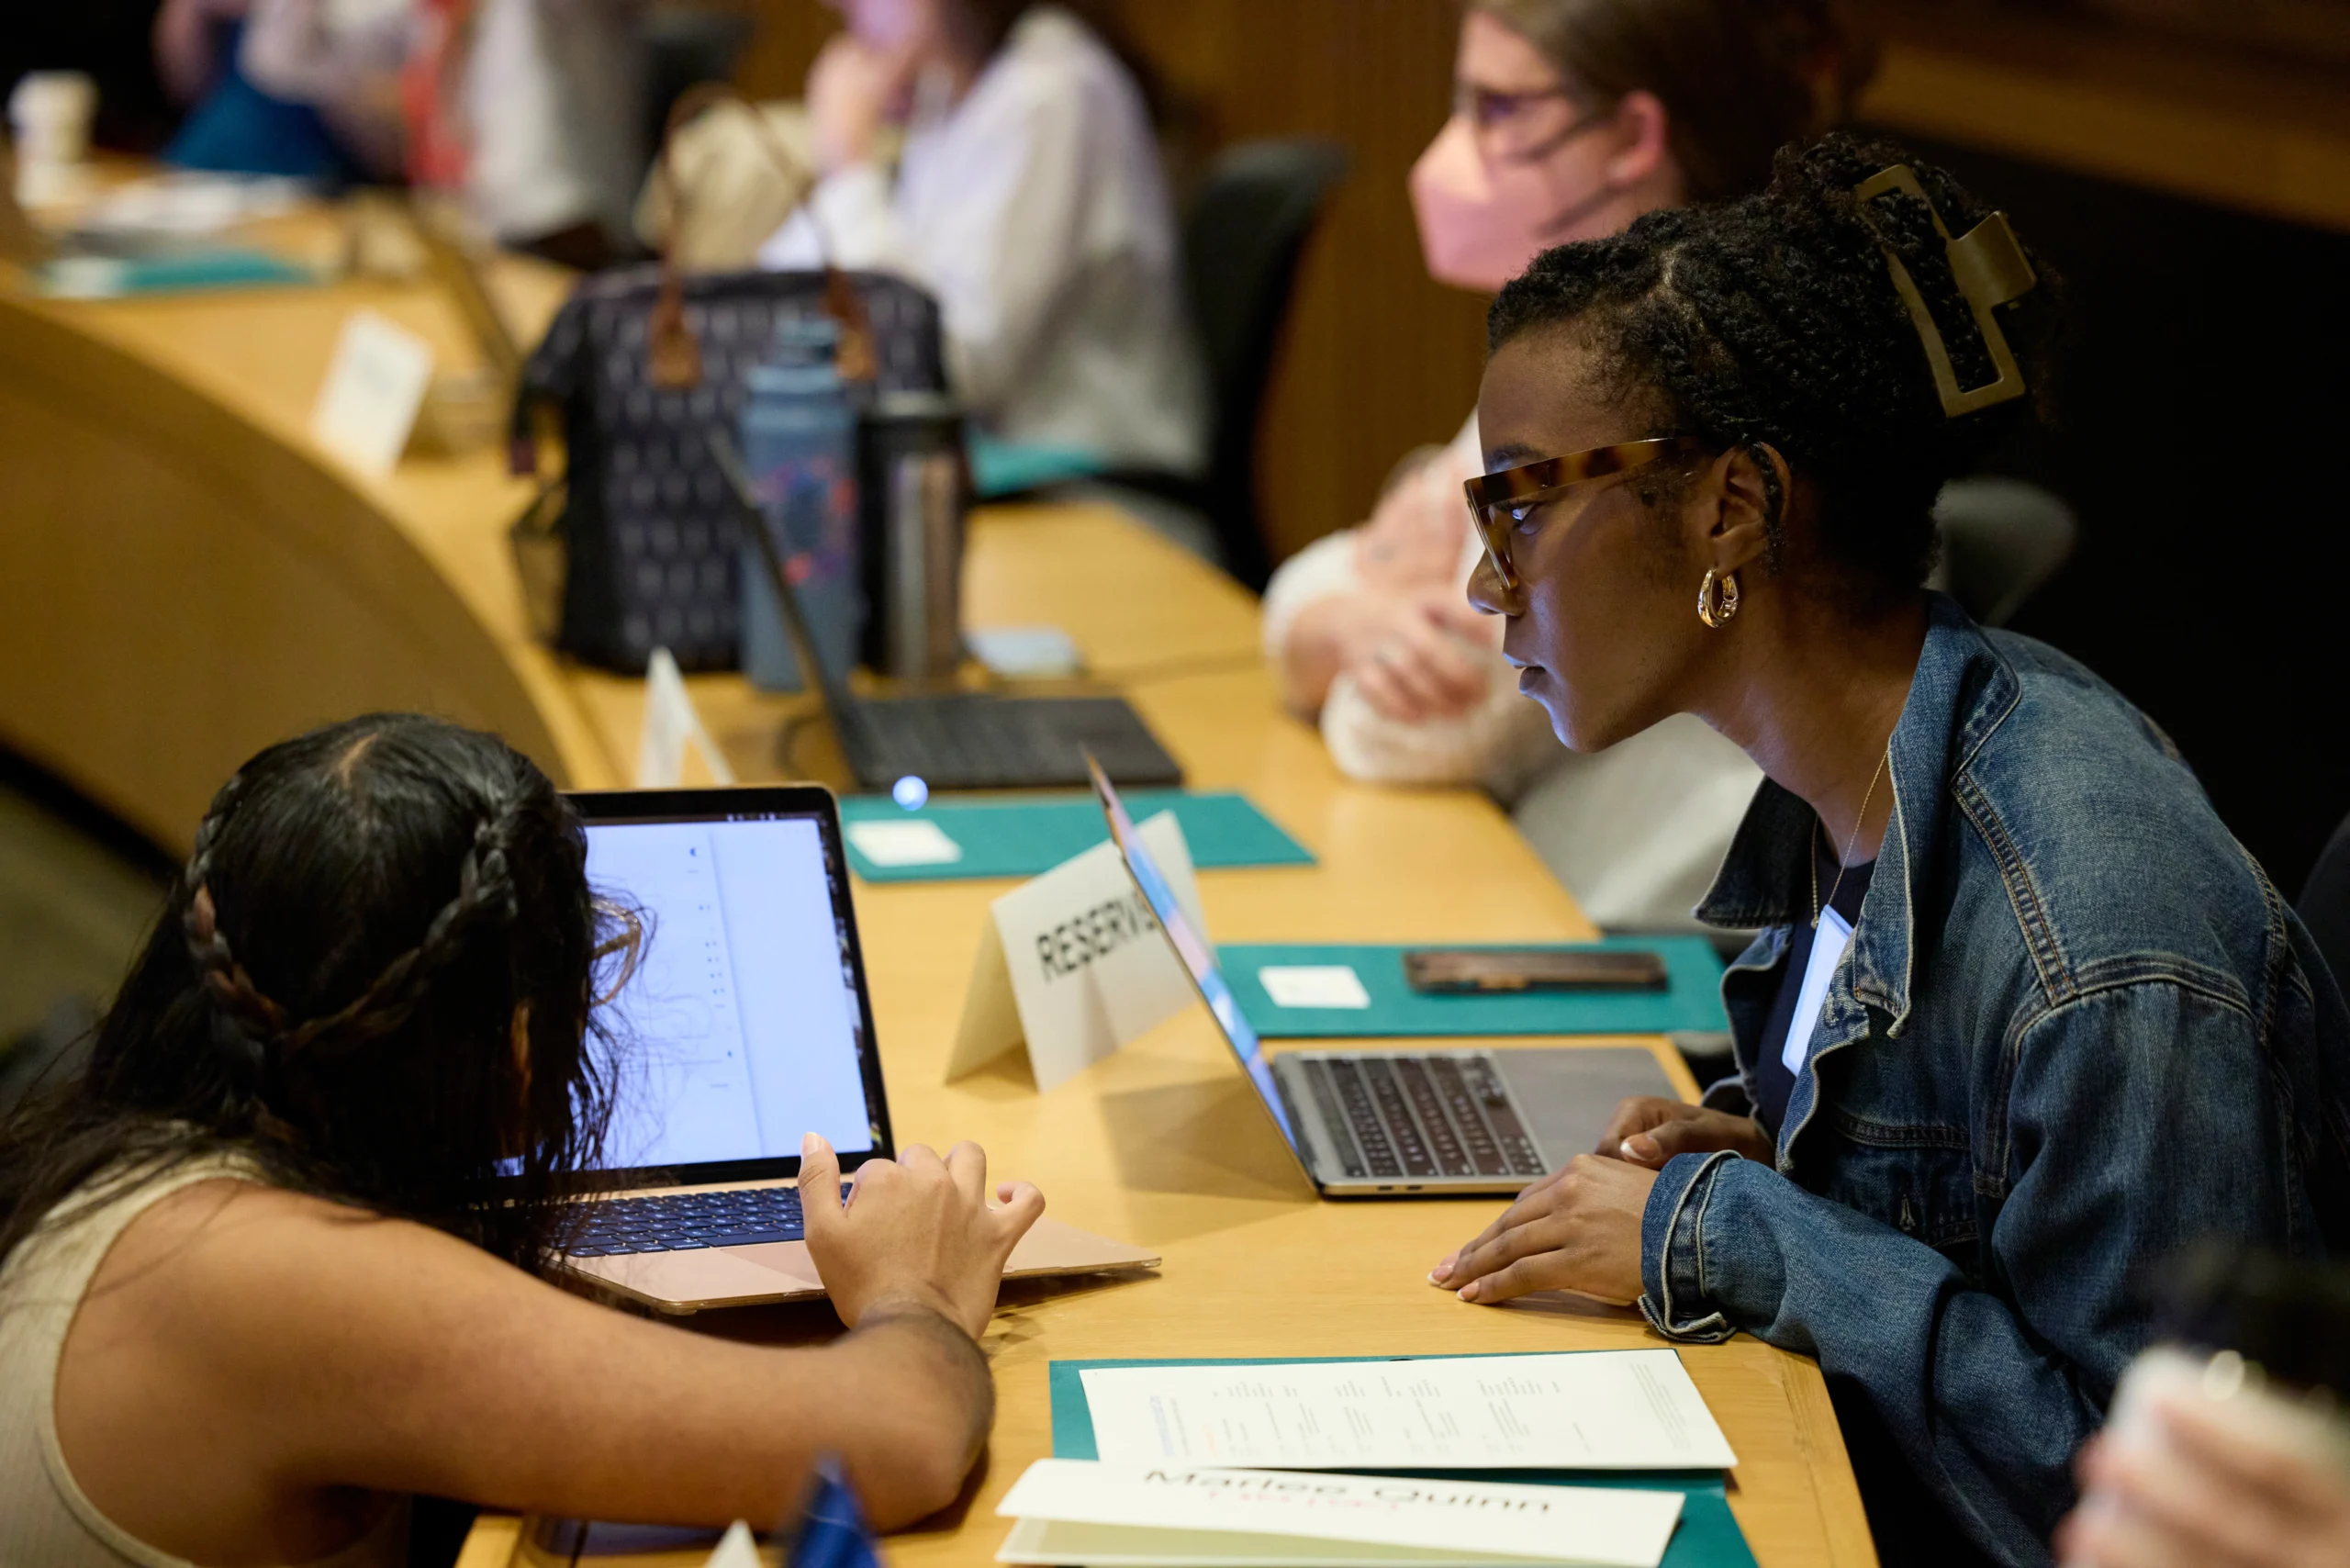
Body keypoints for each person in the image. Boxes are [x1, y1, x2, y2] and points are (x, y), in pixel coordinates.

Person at [1423, 134, 2350, 1566]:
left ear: (1732, 504)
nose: (1488, 578)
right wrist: (1796, 1164)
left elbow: (2126, 1494)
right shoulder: (1855, 773)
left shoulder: (2099, 936)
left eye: (1521, 502)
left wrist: (1739, 1232)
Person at [0, 714, 1045, 1564]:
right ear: (511, 1046)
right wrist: (916, 1294)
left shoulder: (152, 1156)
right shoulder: (283, 1276)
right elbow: (896, 1442)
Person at [1260, 0, 1869, 931]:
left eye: (1498, 108)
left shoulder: (1661, 387)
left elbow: (1423, 734)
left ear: (1631, 134)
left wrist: (1352, 613)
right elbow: (1308, 595)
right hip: (1541, 880)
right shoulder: (1589, 337)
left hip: (1638, 941)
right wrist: (1349, 619)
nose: (1451, 151)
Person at [757, 0, 1206, 491]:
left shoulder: (1049, 93)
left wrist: (850, 170)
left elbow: (951, 365)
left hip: (1089, 496)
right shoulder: (955, 95)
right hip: (995, 483)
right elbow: (784, 306)